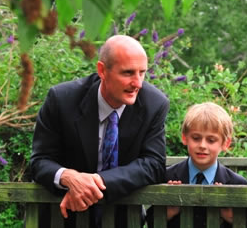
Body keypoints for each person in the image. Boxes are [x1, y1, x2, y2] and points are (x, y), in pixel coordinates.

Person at [30, 35, 169, 228]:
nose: (137, 83)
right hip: (62, 218)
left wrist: (95, 182)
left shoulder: (154, 104)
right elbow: (39, 161)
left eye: (142, 73)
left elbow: (153, 164)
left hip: (123, 219)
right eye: (128, 73)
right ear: (102, 70)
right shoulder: (61, 100)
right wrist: (69, 177)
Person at [148, 102, 247, 228]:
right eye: (196, 138)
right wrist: (168, 212)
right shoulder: (167, 177)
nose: (202, 146)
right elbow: (149, 220)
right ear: (184, 138)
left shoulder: (237, 183)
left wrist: (231, 217)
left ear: (225, 144)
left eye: (211, 140)